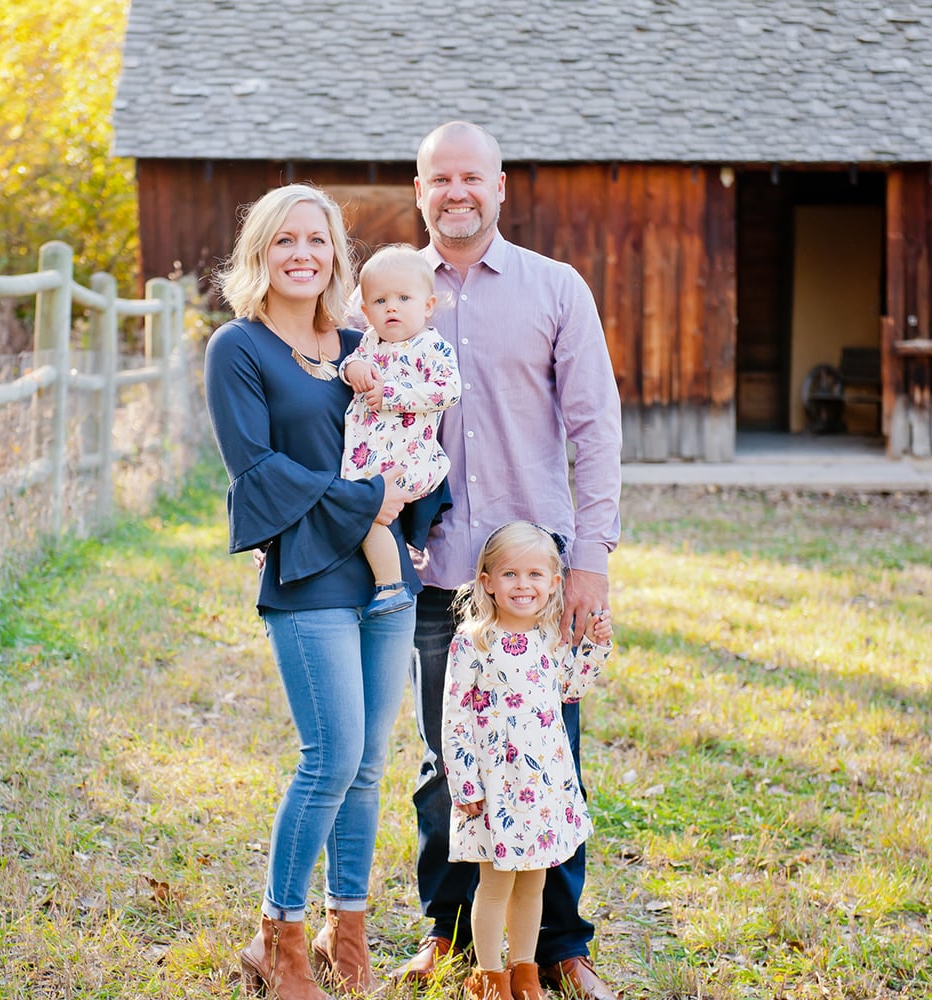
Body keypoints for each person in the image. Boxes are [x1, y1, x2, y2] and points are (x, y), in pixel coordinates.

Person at [387, 121, 623, 1000]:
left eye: (472, 177)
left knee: (550, 753)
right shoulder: (391, 293)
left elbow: (597, 428)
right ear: (420, 190)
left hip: (535, 576)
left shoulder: (555, 289)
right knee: (447, 763)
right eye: (439, 178)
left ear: (499, 187)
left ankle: (560, 946)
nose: (456, 192)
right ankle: (450, 937)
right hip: (433, 568)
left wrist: (590, 559)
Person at [203, 183, 418, 1000]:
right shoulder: (240, 348)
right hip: (308, 575)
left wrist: (414, 508)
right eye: (284, 240)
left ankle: (347, 933)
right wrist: (366, 498)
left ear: (337, 253)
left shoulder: (365, 340)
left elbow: (412, 429)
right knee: (328, 759)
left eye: (317, 240)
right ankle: (279, 943)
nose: (302, 253)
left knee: (367, 767)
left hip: (387, 574)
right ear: (259, 252)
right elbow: (257, 471)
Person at [443, 521, 613, 1000]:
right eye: (511, 574)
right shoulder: (474, 641)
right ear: (487, 582)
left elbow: (571, 689)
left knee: (533, 885)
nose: (523, 585)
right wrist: (466, 784)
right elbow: (454, 718)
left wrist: (595, 646)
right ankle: (490, 977)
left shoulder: (549, 641)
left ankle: (525, 972)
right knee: (495, 886)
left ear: (554, 584)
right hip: (496, 787)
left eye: (535, 575)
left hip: (542, 788)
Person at [340, 244, 461, 619]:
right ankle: (392, 567)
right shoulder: (370, 343)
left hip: (408, 456)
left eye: (403, 298)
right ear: (365, 312)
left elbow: (449, 389)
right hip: (369, 453)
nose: (391, 307)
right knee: (362, 514)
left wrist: (390, 393)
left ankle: (391, 585)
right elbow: (352, 363)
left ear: (427, 306)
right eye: (380, 300)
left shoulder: (432, 346)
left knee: (371, 514)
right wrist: (352, 370)